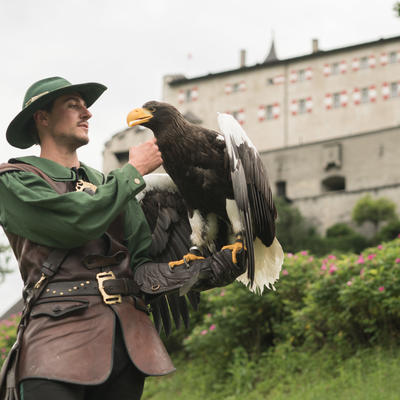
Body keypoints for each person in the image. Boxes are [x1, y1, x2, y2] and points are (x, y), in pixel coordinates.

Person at [0, 77, 245, 400]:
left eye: (87, 107)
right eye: (73, 105)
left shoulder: (114, 186)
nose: (87, 113)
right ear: (41, 118)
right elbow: (73, 222)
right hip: (56, 344)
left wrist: (202, 269)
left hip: (126, 348)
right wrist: (133, 172)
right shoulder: (16, 180)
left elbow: (142, 262)